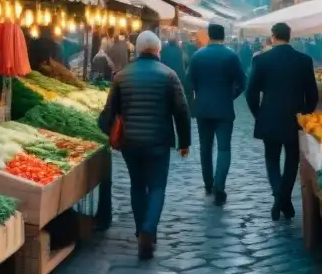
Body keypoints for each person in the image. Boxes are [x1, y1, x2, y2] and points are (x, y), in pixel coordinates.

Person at [99, 31, 191, 260]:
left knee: (137, 186)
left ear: (138, 50)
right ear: (158, 50)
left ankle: (141, 229)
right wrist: (184, 141)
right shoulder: (169, 75)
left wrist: (104, 130)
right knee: (157, 187)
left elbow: (110, 111)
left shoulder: (121, 75)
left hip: (131, 142)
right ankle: (149, 229)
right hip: (159, 141)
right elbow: (182, 111)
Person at [246, 23, 318, 220]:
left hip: (269, 115)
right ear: (290, 36)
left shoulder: (261, 60)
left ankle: (279, 198)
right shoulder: (304, 60)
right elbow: (312, 94)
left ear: (272, 37)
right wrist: (306, 114)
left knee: (271, 158)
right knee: (292, 159)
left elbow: (251, 92)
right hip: (295, 117)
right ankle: (283, 199)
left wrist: (257, 113)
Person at [187, 24, 246, 204]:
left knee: (205, 148)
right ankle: (219, 185)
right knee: (224, 148)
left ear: (208, 36)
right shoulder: (231, 56)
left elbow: (189, 83)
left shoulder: (197, 56)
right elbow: (242, 81)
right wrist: (231, 95)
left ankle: (208, 183)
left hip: (203, 108)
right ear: (224, 36)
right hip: (224, 107)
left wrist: (197, 98)